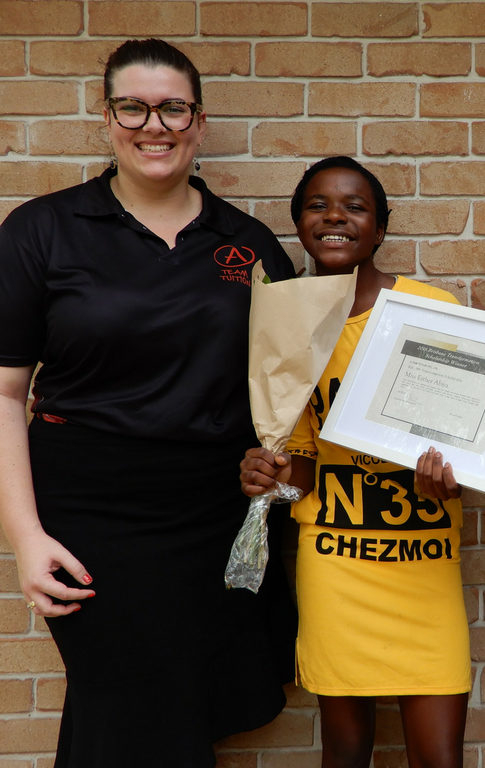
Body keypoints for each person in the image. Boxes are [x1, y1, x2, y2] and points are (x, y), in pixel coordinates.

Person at [0, 39, 297, 768]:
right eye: (133, 107)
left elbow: (285, 396)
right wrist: (24, 538)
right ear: (106, 119)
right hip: (93, 511)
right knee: (127, 693)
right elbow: (5, 392)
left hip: (212, 512)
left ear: (199, 122)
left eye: (172, 109)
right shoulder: (42, 231)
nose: (153, 125)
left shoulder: (250, 245)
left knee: (188, 699)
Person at [239, 156, 470, 768]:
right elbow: (307, 462)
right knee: (344, 754)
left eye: (355, 206)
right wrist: (273, 475)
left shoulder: (431, 311)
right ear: (298, 224)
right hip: (337, 568)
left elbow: (473, 445)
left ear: (381, 227)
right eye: (317, 205)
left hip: (424, 565)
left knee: (440, 757)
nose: (335, 216)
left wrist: (453, 479)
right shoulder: (287, 322)